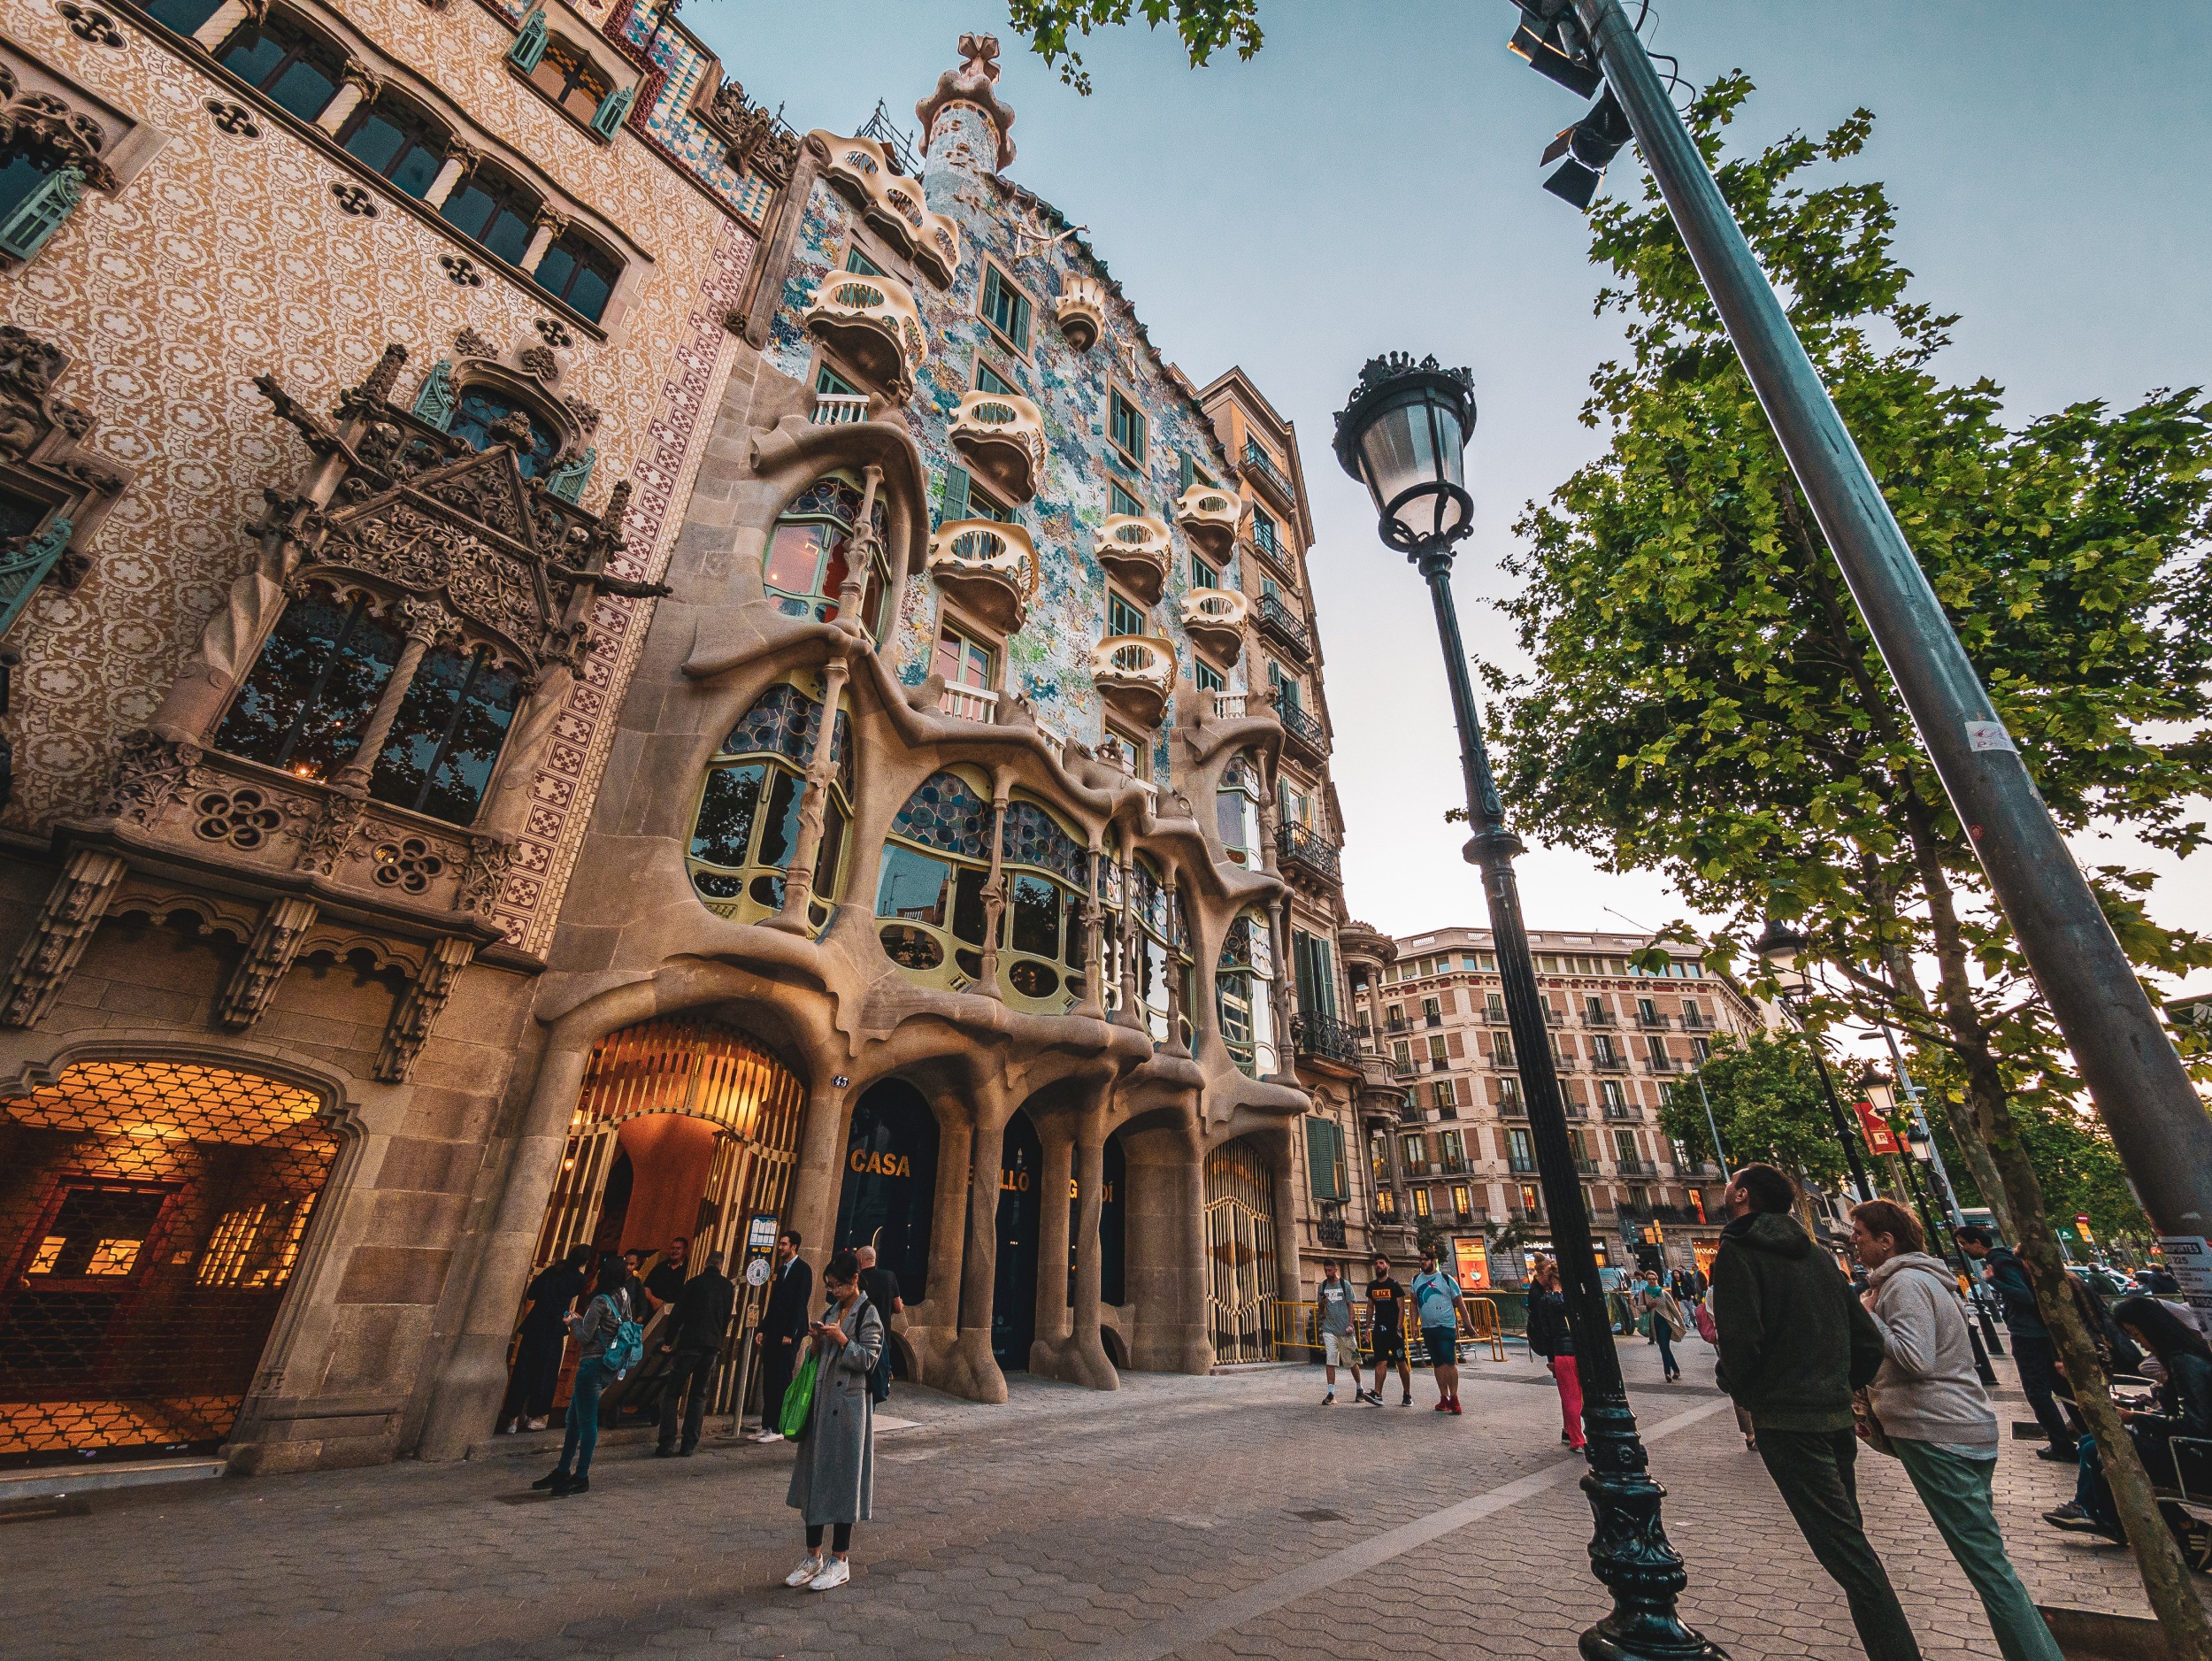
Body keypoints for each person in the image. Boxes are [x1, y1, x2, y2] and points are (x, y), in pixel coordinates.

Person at [1713, 1164, 1919, 1661]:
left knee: (1848, 1554)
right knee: (1849, 1539)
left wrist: (1744, 1388)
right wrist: (1836, 1386)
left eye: (1730, 1183)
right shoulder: (1818, 1256)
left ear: (1741, 1196)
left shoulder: (1738, 1253)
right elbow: (1867, 1341)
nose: (1724, 1189)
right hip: (1833, 1419)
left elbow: (1741, 1342)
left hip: (1788, 1422)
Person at [1853, 1200, 2061, 1661]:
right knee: (1990, 1561)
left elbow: (1915, 1358)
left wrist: (1862, 1315)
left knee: (1989, 1569)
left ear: (1887, 1241)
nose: (1855, 1240)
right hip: (1963, 1428)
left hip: (1939, 1432)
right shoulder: (1924, 1280)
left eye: (1862, 1233)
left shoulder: (1904, 1284)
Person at [2046, 1296, 2212, 1541]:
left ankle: (2108, 1517)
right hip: (2185, 1446)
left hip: (2196, 1456)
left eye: (2137, 1335)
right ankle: (2101, 1514)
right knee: (2091, 1443)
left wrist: (2136, 1417)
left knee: (2105, 1447)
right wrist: (2140, 1406)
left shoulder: (2184, 1362)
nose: (2141, 1344)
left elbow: (2196, 1424)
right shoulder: (2182, 1358)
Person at [783, 1249, 885, 1595]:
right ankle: (812, 1556)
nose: (832, 1292)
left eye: (837, 1286)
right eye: (829, 1286)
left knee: (843, 1482)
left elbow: (869, 1359)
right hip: (820, 1407)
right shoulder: (831, 1310)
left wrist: (842, 1340)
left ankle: (839, 1559)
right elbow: (816, 1358)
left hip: (849, 1410)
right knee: (814, 1481)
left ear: (854, 1280)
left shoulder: (868, 1314)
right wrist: (815, 1341)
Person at [1956, 1225, 2074, 1462]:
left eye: (1964, 1244)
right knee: (2059, 1388)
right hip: (2039, 1333)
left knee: (2037, 1392)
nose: (1963, 1249)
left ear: (1978, 1243)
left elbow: (2024, 1296)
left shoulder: (1999, 1262)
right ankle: (2082, 1436)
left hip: (2027, 1335)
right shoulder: (2007, 1256)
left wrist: (1993, 1281)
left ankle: (2062, 1444)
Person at [532, 1251, 635, 1497]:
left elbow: (584, 1336)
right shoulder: (623, 1296)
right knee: (574, 1420)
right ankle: (562, 1470)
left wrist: (572, 1321)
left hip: (592, 1365)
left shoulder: (600, 1301)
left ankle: (581, 1475)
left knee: (586, 1423)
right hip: (609, 1364)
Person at [654, 1249, 736, 1457]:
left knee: (673, 1393)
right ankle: (689, 1443)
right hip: (711, 1346)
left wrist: (669, 1340)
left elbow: (677, 1314)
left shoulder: (692, 1284)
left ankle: (667, 1442)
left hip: (690, 1343)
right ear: (721, 1266)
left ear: (705, 1264)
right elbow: (727, 1316)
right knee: (699, 1394)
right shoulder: (727, 1287)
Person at [506, 1243, 591, 1433]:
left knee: (522, 1371)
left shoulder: (552, 1272)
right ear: (585, 1262)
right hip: (553, 1328)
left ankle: (512, 1417)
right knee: (545, 1373)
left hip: (534, 1325)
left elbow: (532, 1293)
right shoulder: (578, 1279)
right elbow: (582, 1300)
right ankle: (536, 1415)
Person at [754, 1230, 812, 1442]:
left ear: (794, 1247)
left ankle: (778, 1427)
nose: (780, 1247)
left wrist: (791, 1333)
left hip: (789, 1334)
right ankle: (766, 1424)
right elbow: (773, 1304)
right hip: (775, 1331)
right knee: (769, 1378)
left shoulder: (803, 1270)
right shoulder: (781, 1270)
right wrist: (763, 1328)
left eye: (784, 1244)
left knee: (781, 1379)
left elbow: (800, 1302)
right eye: (780, 1244)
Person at [1525, 1257, 1584, 1450]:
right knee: (1580, 1396)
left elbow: (1546, 1331)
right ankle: (1574, 1433)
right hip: (1580, 1351)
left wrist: (1551, 1357)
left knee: (1570, 1397)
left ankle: (1576, 1437)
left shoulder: (1545, 1300)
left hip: (1562, 1353)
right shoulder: (1575, 1297)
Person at [1411, 1247, 1463, 1415]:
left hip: (1445, 1326)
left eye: (1425, 1259)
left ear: (1433, 1261)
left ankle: (1454, 1397)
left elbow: (1459, 1302)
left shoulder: (1446, 1279)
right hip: (1428, 1328)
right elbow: (1413, 1304)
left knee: (1449, 1362)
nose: (1422, 1262)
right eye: (1420, 1260)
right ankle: (1444, 1397)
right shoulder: (1416, 1280)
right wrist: (1414, 1324)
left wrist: (1468, 1324)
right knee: (1437, 1363)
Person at [854, 1245, 903, 1405]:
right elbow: (898, 1307)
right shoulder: (889, 1277)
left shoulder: (858, 1280)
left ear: (860, 1260)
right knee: (877, 1382)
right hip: (882, 1337)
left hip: (859, 1336)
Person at [1314, 1261, 1364, 1405]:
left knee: (1352, 1361)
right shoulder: (1322, 1286)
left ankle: (1359, 1388)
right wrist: (1322, 1304)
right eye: (1325, 1270)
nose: (1328, 1273)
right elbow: (1321, 1311)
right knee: (1330, 1361)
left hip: (1345, 1330)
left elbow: (1351, 1306)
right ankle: (1331, 1393)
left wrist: (1350, 1324)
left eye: (1330, 1270)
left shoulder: (1345, 1285)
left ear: (1336, 1269)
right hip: (1329, 1330)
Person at [1366, 1256, 1412, 1406]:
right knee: (1380, 1361)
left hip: (1394, 1331)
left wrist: (1399, 1329)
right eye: (1376, 1263)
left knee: (1401, 1362)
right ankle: (1378, 1394)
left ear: (1387, 1266)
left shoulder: (1394, 1285)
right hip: (1380, 1330)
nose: (1378, 1266)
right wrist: (1367, 1327)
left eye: (1381, 1263)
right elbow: (1370, 1307)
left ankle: (1407, 1394)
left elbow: (1401, 1309)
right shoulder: (1372, 1286)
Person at [1634, 1267, 1686, 1383]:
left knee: (1663, 1346)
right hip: (1654, 1323)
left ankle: (1667, 1372)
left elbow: (1674, 1309)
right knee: (1665, 1347)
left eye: (1654, 1279)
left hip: (1666, 1322)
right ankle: (1676, 1369)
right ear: (1646, 1280)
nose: (1652, 1281)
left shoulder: (1663, 1293)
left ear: (1657, 1279)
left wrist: (1682, 1324)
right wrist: (1648, 1307)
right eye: (1649, 1279)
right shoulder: (1643, 1293)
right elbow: (1639, 1307)